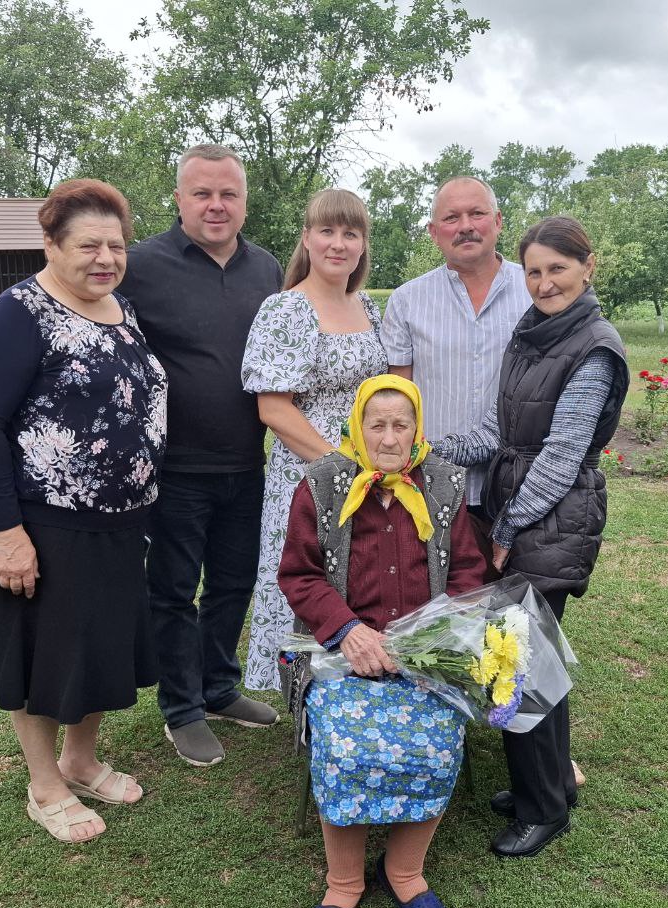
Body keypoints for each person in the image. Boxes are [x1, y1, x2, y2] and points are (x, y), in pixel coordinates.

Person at [0, 179, 168, 843]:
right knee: (42, 655)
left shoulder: (122, 309)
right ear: (50, 244)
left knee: (98, 646)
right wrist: (7, 535)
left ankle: (81, 761)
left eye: (117, 245)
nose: (106, 258)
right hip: (43, 521)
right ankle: (44, 784)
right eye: (88, 245)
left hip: (118, 522)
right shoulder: (21, 311)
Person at [433, 216, 629, 858]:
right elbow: (499, 430)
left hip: (551, 515)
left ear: (588, 267)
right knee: (529, 656)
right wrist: (428, 450)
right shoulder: (533, 331)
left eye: (558, 269)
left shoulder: (594, 347)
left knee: (520, 659)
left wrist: (509, 526)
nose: (545, 283)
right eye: (535, 272)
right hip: (516, 505)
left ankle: (543, 809)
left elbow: (562, 456)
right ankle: (548, 785)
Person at [278, 375, 486, 908]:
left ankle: (404, 871)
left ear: (416, 429)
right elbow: (299, 574)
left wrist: (430, 638)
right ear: (358, 428)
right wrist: (348, 631)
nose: (390, 438)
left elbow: (468, 573)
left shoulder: (443, 483)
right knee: (346, 745)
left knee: (436, 741)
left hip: (423, 654)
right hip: (342, 651)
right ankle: (344, 883)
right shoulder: (323, 483)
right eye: (378, 425)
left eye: (401, 425)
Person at [118, 145, 284, 767]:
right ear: (180, 199)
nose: (216, 205)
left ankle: (218, 688)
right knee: (173, 590)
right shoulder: (140, 266)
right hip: (174, 468)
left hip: (247, 462)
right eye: (202, 194)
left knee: (234, 584)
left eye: (228, 194)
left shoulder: (266, 269)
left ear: (244, 201)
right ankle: (182, 707)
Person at [239, 188, 388, 693]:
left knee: (357, 575)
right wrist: (342, 467)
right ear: (307, 238)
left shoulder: (367, 306)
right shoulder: (286, 310)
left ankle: (351, 686)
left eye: (351, 233)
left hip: (368, 473)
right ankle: (299, 688)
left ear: (363, 244)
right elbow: (273, 408)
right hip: (308, 475)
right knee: (309, 576)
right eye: (327, 231)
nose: (338, 244)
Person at [381, 176, 531, 512]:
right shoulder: (407, 301)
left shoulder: (535, 291)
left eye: (477, 213)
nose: (465, 226)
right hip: (432, 487)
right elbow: (398, 398)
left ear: (498, 221)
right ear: (434, 232)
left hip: (519, 486)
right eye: (451, 218)